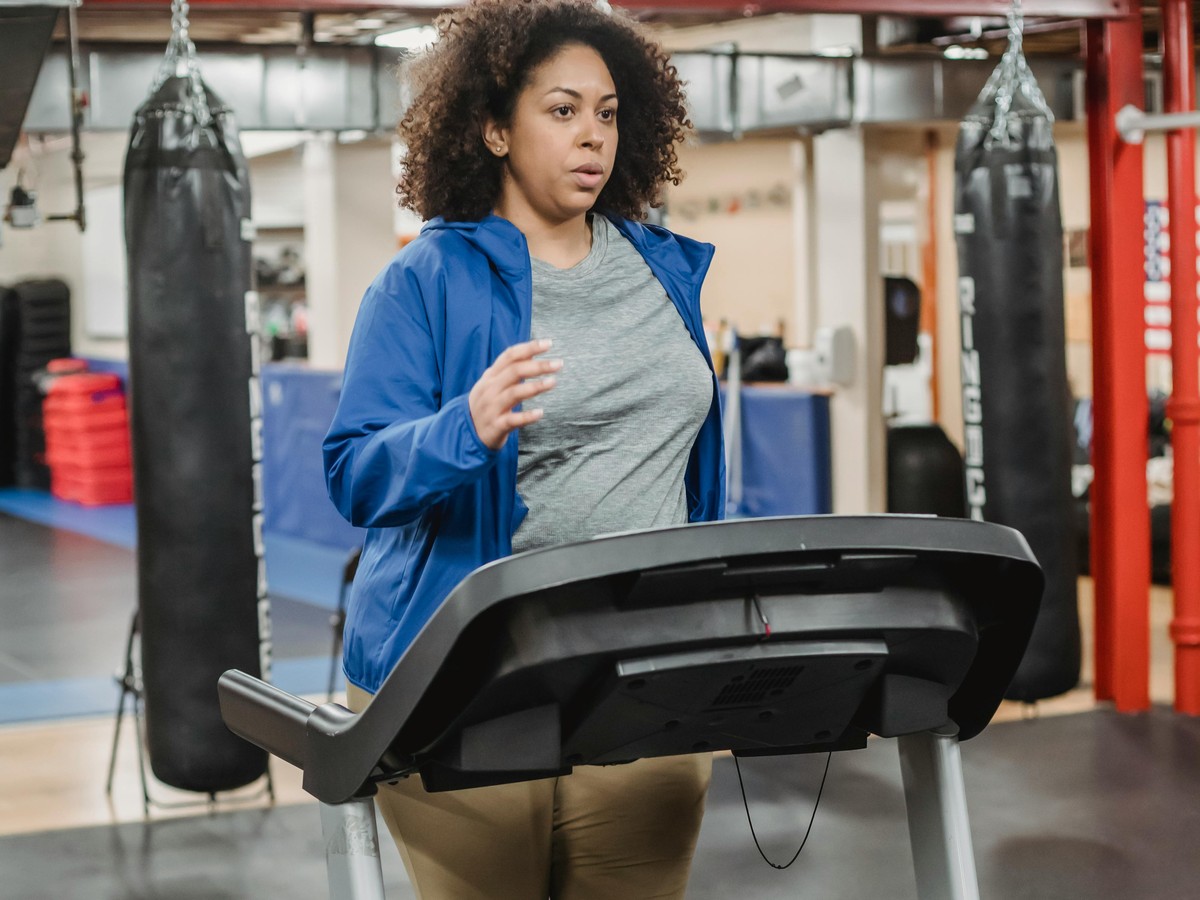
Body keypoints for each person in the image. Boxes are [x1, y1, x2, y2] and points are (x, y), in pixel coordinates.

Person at [323, 1, 725, 896]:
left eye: (609, 113)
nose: (593, 136)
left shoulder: (665, 271)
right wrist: (461, 428)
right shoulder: (423, 281)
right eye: (563, 110)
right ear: (496, 129)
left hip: (645, 671)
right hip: (473, 678)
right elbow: (354, 474)